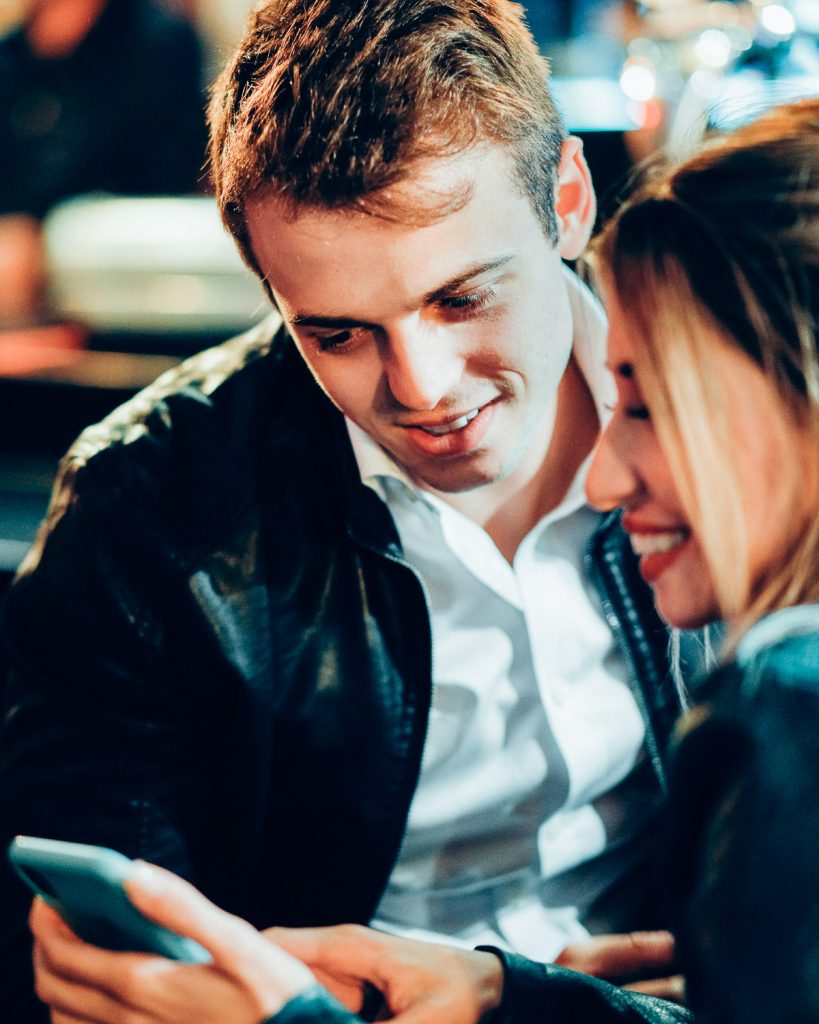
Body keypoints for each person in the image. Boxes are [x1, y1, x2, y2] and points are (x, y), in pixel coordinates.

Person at [26, 95, 819, 1024]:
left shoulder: (776, 695)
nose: (424, 389)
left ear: (566, 200)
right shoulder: (148, 503)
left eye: (462, 297)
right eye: (337, 333)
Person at [0, 0, 207, 324]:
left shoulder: (159, 41)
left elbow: (162, 177)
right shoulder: (12, 52)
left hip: (121, 281)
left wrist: (46, 235)